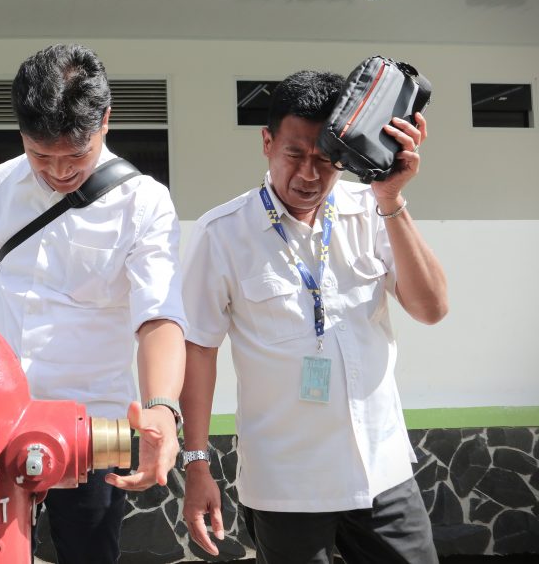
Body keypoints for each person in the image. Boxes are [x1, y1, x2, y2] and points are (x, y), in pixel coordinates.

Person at [180, 70, 448, 563]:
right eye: (295, 155)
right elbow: (198, 350)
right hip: (287, 485)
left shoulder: (371, 209)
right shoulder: (221, 234)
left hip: (381, 474)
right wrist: (196, 464)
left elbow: (431, 308)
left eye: (326, 160)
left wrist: (391, 199)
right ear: (266, 142)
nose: (309, 175)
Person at [0, 44, 187, 563]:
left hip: (91, 429)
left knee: (88, 554)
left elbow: (159, 316)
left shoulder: (144, 202)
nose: (58, 172)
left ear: (105, 120)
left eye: (74, 156)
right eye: (41, 156)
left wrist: (163, 409)